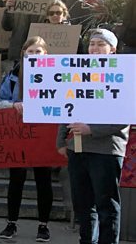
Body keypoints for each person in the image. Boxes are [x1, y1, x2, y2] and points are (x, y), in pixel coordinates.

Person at [58, 29, 128, 244]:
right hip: (78, 149)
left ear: (112, 50)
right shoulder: (77, 73)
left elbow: (125, 116)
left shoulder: (124, 75)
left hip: (106, 150)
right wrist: (61, 140)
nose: (94, 48)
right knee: (83, 205)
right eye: (92, 44)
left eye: (100, 44)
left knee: (106, 205)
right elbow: (65, 105)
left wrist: (91, 128)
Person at [0, 36, 54, 242]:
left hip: (43, 134)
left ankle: (43, 226)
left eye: (38, 52)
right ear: (23, 53)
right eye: (31, 51)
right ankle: (11, 223)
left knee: (43, 180)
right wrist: (13, 105)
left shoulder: (56, 75)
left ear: (46, 54)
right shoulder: (12, 76)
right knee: (16, 180)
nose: (34, 55)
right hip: (17, 134)